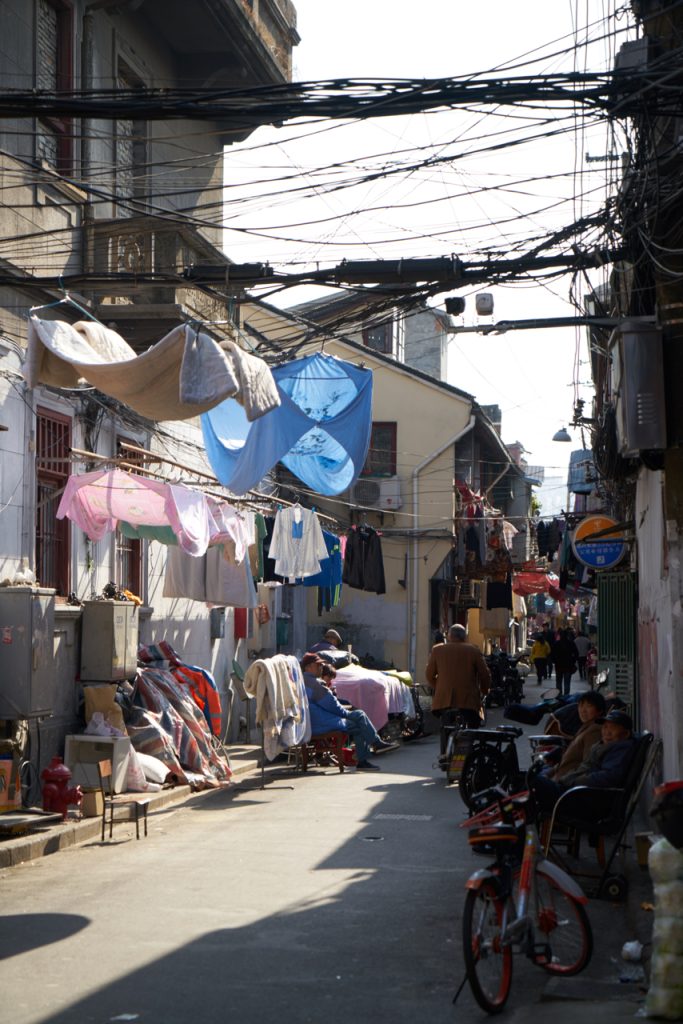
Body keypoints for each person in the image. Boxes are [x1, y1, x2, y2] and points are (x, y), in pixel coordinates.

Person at [300, 653, 396, 771]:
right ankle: (370, 750)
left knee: (358, 720)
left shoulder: (302, 681)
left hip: (312, 722)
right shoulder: (315, 684)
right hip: (321, 723)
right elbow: (332, 706)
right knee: (359, 718)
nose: (321, 667)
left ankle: (372, 748)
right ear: (308, 667)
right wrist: (347, 713)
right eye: (318, 665)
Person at [531, 708, 637, 812]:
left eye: (612, 728)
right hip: (574, 790)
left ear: (625, 734)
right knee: (531, 783)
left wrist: (576, 781)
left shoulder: (621, 748)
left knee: (534, 782)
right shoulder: (603, 744)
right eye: (605, 727)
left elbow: (609, 776)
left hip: (586, 797)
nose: (606, 732)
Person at [424, 624, 491, 754]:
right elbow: (485, 675)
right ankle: (469, 750)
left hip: (444, 700)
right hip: (468, 701)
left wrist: (439, 688)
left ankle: (444, 754)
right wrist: (484, 691)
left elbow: (429, 675)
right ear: (465, 637)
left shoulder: (437, 650)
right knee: (473, 726)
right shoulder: (473, 650)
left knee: (445, 726)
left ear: (449, 636)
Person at [536, 690, 606, 780]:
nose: (583, 710)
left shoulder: (595, 730)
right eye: (581, 705)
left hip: (565, 782)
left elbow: (586, 766)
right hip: (557, 776)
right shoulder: (586, 726)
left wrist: (561, 781)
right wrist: (547, 775)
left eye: (589, 706)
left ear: (599, 710)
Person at [551, 628, 580, 696]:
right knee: (567, 682)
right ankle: (566, 696)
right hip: (568, 666)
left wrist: (555, 661)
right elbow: (576, 653)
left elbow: (552, 654)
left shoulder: (557, 644)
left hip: (559, 666)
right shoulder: (571, 643)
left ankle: (559, 695)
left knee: (558, 682)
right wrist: (573, 661)